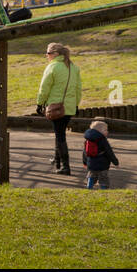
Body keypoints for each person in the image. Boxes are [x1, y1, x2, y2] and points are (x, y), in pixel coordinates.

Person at [36, 42, 82, 175]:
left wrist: (40, 103)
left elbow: (44, 87)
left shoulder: (53, 67)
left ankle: (66, 166)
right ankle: (58, 162)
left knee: (60, 136)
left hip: (55, 107)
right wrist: (76, 104)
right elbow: (78, 89)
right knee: (59, 133)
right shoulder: (74, 67)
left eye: (48, 53)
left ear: (56, 54)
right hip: (70, 107)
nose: (46, 55)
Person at [82, 118, 119, 190]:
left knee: (92, 175)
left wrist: (85, 162)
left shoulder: (88, 140)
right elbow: (109, 152)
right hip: (103, 164)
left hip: (91, 163)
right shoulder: (102, 140)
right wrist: (115, 162)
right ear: (99, 131)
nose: (107, 131)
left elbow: (85, 152)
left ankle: (89, 185)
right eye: (105, 130)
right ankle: (104, 188)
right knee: (103, 178)